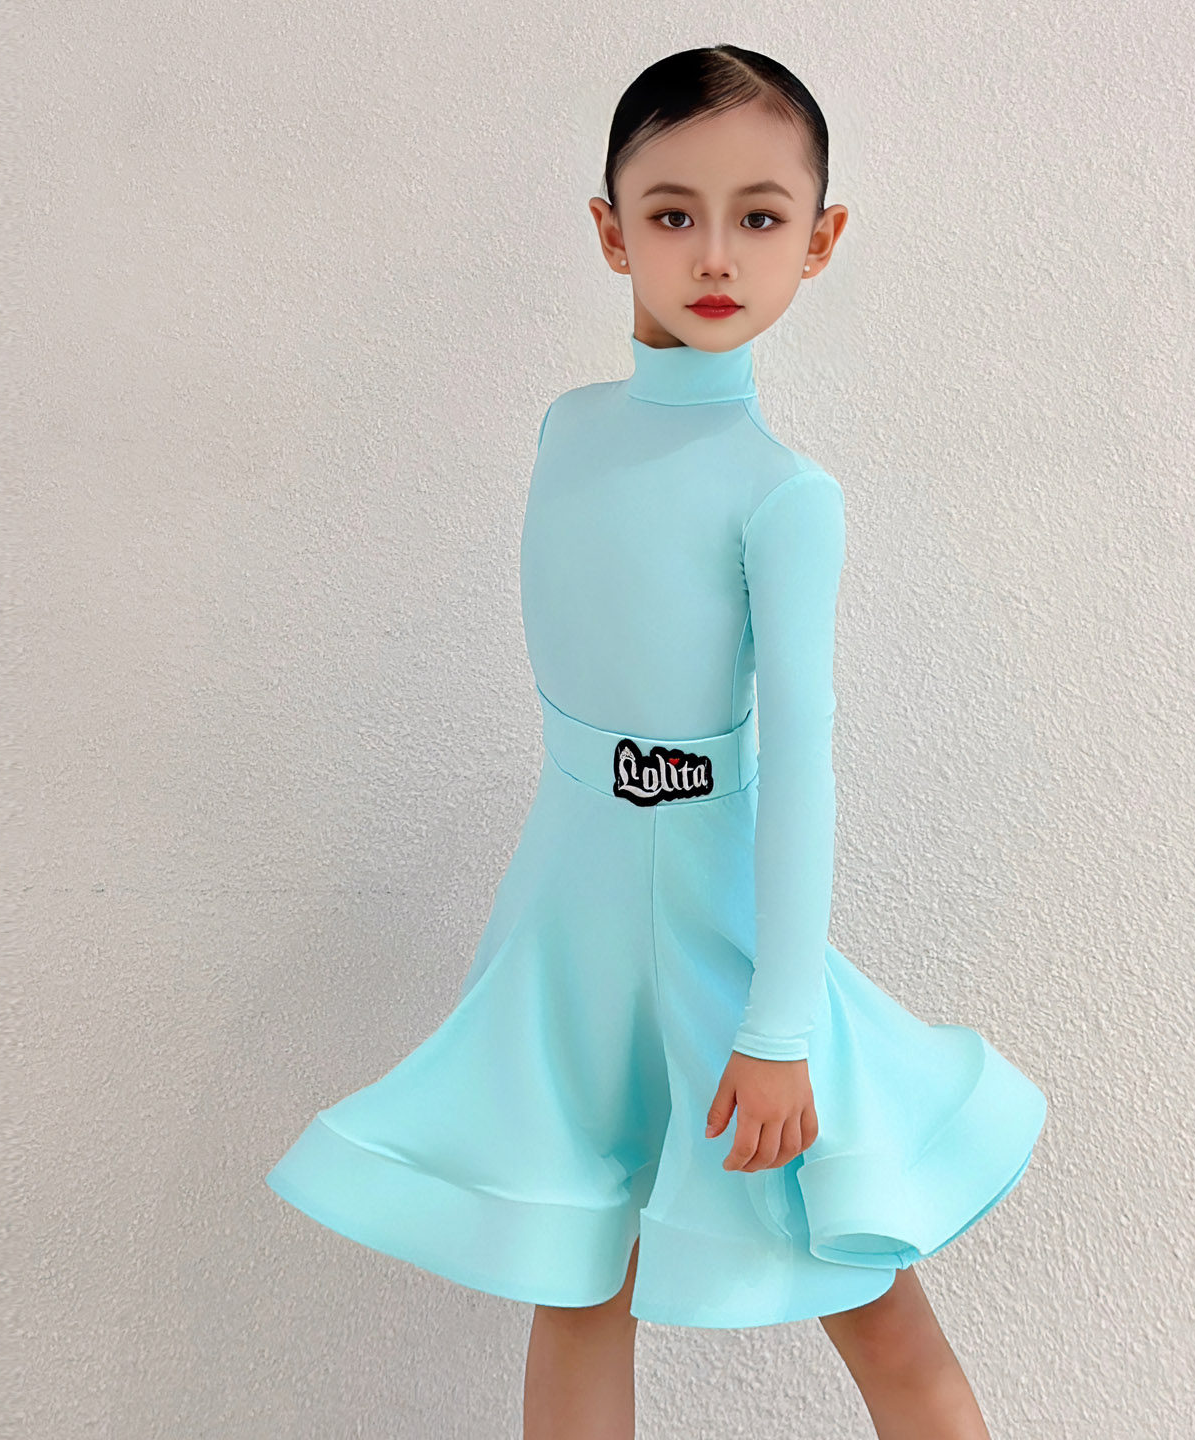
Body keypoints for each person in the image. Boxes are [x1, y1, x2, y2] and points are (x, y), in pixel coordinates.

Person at [266, 44, 1048, 1440]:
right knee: (576, 1273)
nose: (715, 253)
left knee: (861, 1275)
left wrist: (781, 1030)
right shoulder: (570, 431)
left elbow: (800, 765)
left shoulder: (784, 495)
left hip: (718, 930)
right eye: (674, 212)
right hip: (569, 914)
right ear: (611, 227)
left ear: (821, 240)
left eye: (760, 216)